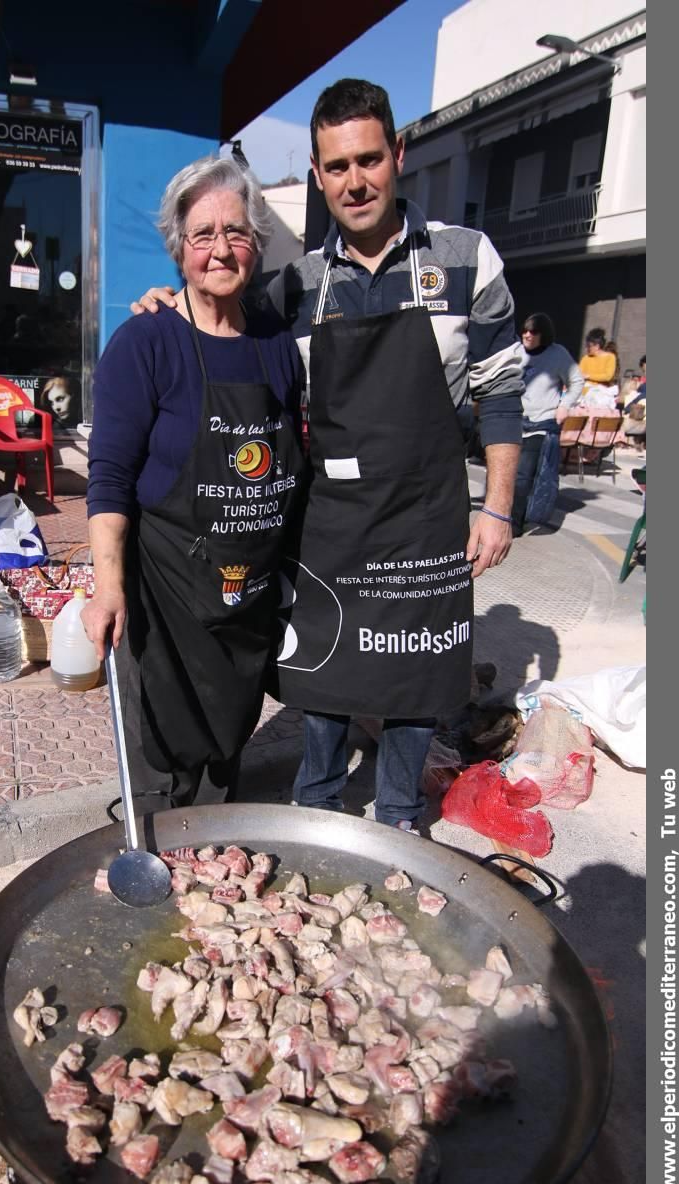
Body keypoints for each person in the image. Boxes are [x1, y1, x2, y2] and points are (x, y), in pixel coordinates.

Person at [131, 79, 523, 832]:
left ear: (397, 156)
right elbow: (218, 314)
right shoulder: (295, 286)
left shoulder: (465, 258)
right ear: (317, 174)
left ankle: (403, 814)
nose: (355, 180)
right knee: (325, 670)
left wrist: (497, 504)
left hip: (428, 513)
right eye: (337, 166)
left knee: (418, 667)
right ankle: (316, 810)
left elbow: (500, 392)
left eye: (369, 160)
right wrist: (166, 304)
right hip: (332, 519)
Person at [82, 155, 305, 807]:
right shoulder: (144, 342)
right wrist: (109, 590)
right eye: (202, 234)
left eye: (234, 232)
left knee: (224, 760)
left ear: (256, 244)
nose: (219, 249)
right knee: (165, 767)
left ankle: (215, 882)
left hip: (245, 602)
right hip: (166, 604)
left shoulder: (275, 343)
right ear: (178, 249)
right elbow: (109, 479)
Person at [512, 313, 584, 536]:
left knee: (524, 475)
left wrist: (564, 406)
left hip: (540, 422)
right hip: (513, 419)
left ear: (544, 334)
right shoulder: (515, 352)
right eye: (525, 330)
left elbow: (576, 380)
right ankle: (503, 514)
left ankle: (515, 521)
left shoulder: (557, 354)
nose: (527, 334)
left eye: (533, 331)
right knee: (506, 472)